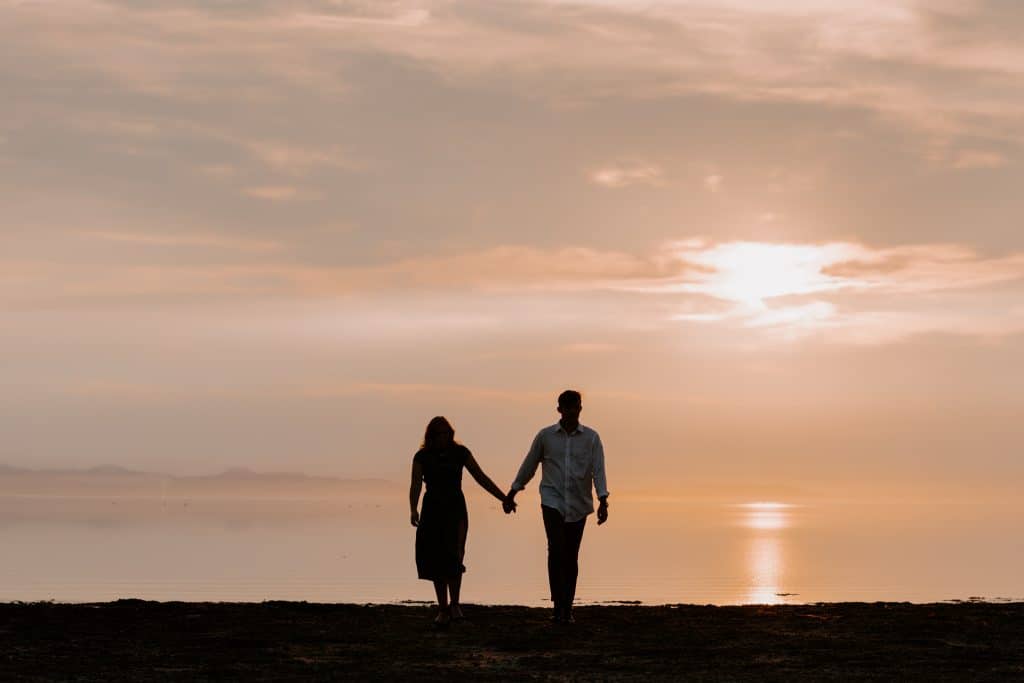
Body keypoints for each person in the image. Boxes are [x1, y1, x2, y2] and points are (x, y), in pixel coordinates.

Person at [504, 390, 609, 623]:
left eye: (576, 407)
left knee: (571, 555)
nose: (572, 411)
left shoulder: (591, 438)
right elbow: (529, 465)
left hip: (579, 504)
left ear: (580, 409)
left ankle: (567, 607)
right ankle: (557, 606)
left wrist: (603, 499)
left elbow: (598, 470)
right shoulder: (545, 436)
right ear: (559, 409)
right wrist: (512, 492)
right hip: (552, 500)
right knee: (556, 548)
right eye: (567, 407)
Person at [410, 416, 514, 626]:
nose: (443, 437)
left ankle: (455, 604)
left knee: (455, 555)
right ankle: (443, 607)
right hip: (432, 509)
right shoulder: (422, 456)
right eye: (439, 434)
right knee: (435, 558)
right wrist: (413, 509)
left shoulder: (460, 453)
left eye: (447, 433)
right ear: (431, 436)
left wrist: (504, 498)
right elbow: (415, 485)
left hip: (455, 508)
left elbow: (480, 476)